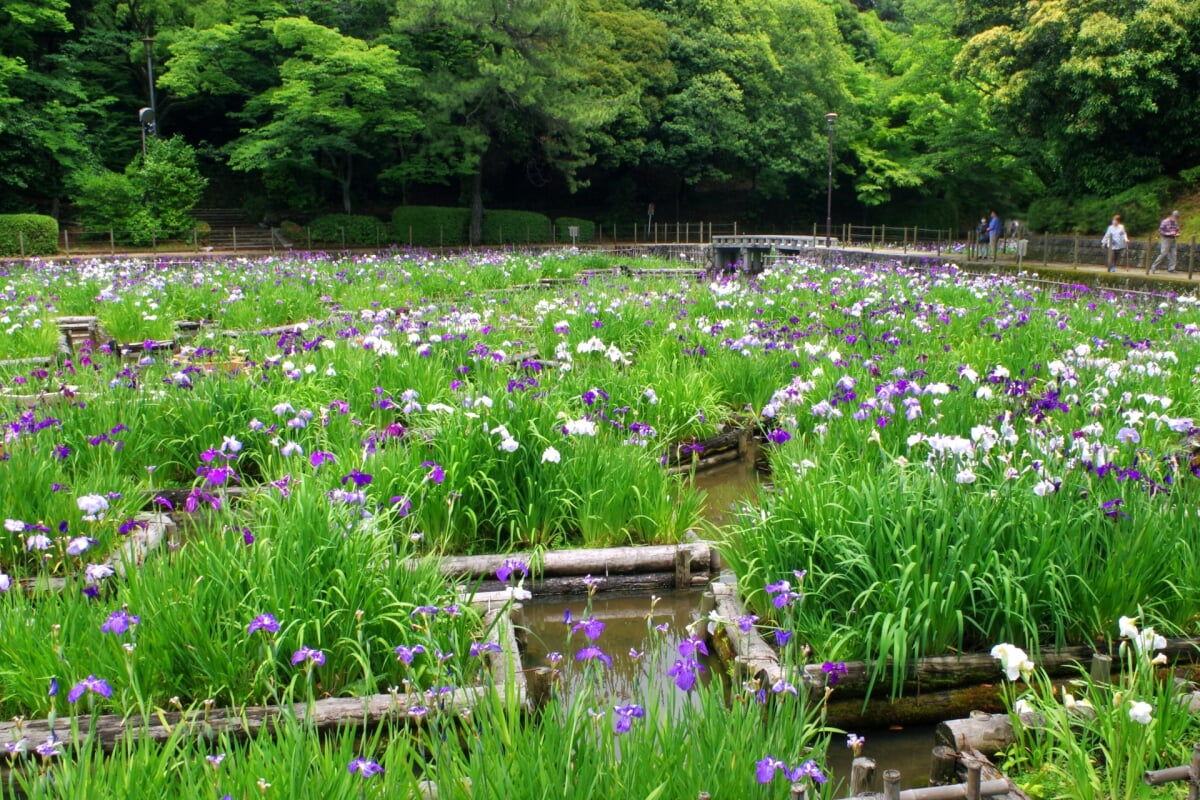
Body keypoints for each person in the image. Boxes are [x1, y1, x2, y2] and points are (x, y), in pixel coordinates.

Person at [1149, 210, 1181, 274]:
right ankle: (1153, 267)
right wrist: (1169, 233)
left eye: (1177, 217)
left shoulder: (1175, 222)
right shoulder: (1165, 221)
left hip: (1173, 239)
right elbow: (1160, 231)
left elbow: (1177, 230)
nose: (1176, 218)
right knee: (1163, 253)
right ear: (1172, 215)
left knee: (1173, 254)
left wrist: (1177, 233)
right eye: (1175, 217)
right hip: (1166, 239)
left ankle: (1171, 269)